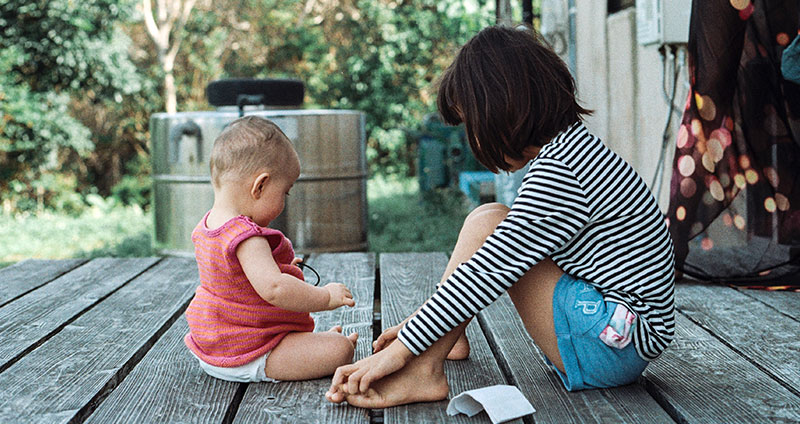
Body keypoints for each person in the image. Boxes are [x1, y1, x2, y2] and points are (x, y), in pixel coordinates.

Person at [326, 25, 675, 407]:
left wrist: (405, 348)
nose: (474, 142)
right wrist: (422, 325)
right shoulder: (573, 151)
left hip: (611, 347)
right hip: (614, 334)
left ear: (500, 111)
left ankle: (425, 368)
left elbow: (488, 270)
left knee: (491, 228)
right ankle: (447, 337)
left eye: (472, 125)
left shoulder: (562, 174)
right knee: (488, 216)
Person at [184, 115, 358, 383]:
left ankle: (310, 346)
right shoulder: (245, 236)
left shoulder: (206, 227)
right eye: (285, 192)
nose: (285, 201)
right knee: (341, 349)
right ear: (260, 185)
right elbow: (275, 289)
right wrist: (325, 297)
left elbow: (236, 282)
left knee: (323, 345)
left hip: (213, 348)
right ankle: (318, 348)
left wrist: (277, 266)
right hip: (250, 350)